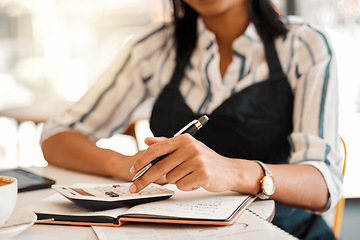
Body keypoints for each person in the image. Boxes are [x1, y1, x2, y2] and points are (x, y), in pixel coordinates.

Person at [41, 0, 342, 239]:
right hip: (179, 232)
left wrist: (229, 171)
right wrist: (127, 165)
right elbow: (57, 135)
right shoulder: (154, 49)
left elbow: (322, 185)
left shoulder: (304, 46)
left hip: (283, 231)